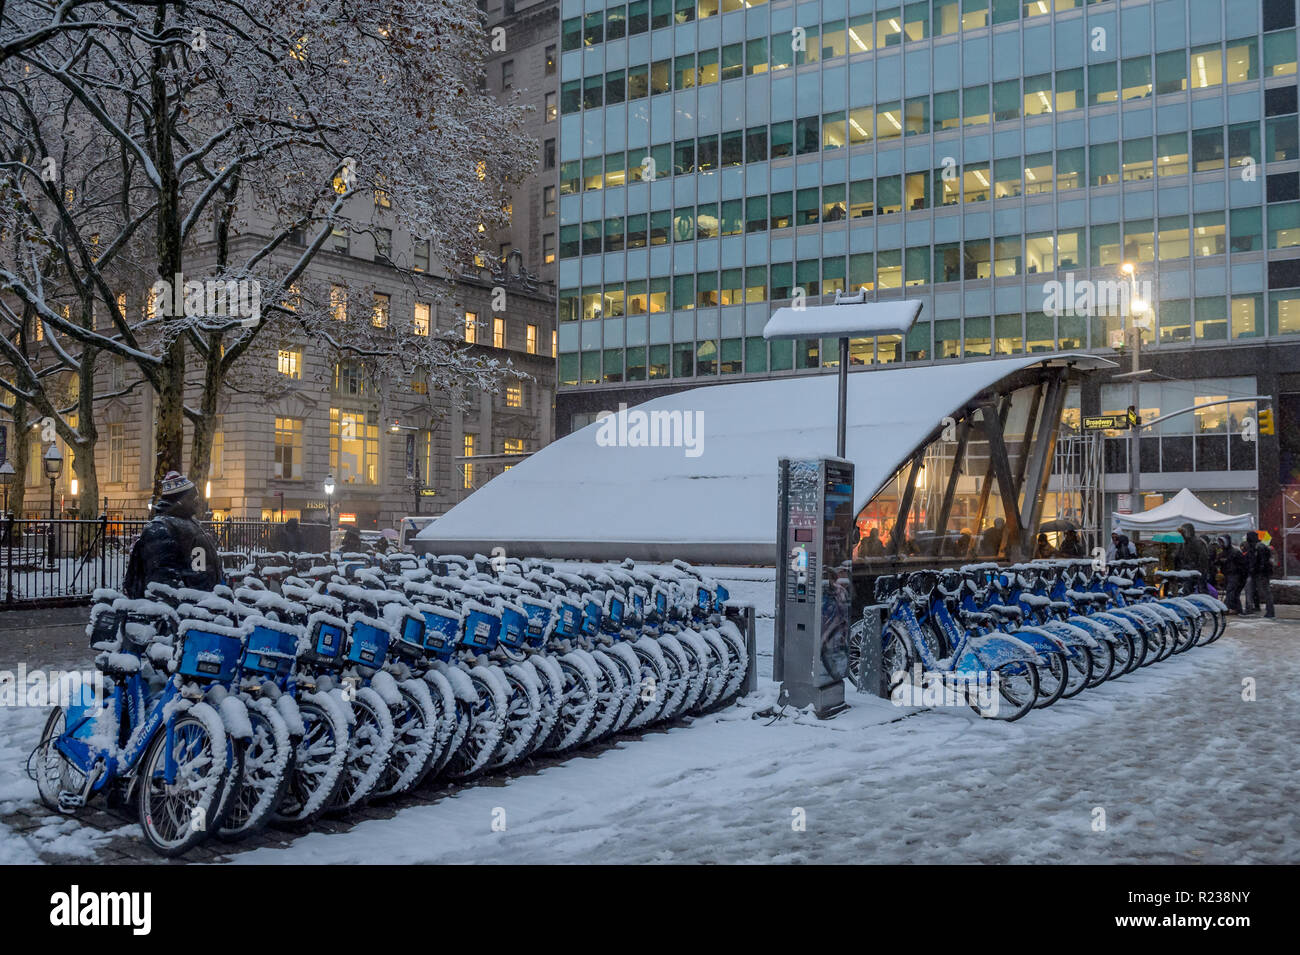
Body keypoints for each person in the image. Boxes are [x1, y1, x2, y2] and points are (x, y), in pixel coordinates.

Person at [123, 471, 221, 598]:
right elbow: (162, 579)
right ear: (180, 500)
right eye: (193, 498)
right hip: (187, 605)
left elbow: (199, 563)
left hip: (201, 599)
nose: (197, 502)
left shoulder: (190, 523)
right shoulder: (160, 528)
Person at [1244, 531, 1275, 618]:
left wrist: (1255, 569)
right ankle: (1268, 610)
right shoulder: (1256, 547)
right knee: (1254, 590)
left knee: (1264, 592)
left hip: (1260, 573)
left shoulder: (1258, 547)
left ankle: (1269, 611)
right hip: (1258, 573)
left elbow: (1261, 562)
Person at [1173, 522, 1211, 592]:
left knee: (1201, 591)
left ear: (1188, 532)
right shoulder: (1182, 543)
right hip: (1187, 572)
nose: (1182, 534)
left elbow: (1203, 560)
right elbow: (1178, 557)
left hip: (1197, 572)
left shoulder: (1198, 543)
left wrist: (1200, 572)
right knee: (1186, 591)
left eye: (1183, 532)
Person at [1219, 534, 1247, 615]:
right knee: (1234, 594)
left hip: (1235, 575)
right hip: (1229, 575)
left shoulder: (1235, 552)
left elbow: (1242, 565)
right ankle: (1238, 610)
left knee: (1230, 592)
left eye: (1222, 542)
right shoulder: (1224, 553)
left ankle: (1225, 608)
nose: (1221, 544)